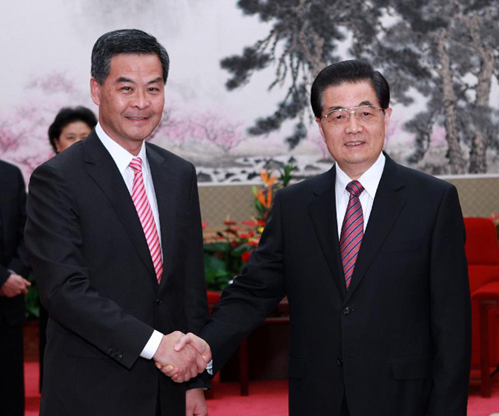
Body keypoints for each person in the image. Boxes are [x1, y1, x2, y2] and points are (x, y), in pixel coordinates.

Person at [175, 60, 471, 415]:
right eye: (337, 115)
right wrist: (204, 348)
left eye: (365, 112)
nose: (353, 127)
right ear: (321, 125)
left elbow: (452, 324)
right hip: (318, 398)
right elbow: (254, 292)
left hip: (403, 399)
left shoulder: (433, 201)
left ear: (386, 116)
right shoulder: (294, 205)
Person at [25, 29, 209, 416]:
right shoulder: (57, 178)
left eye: (154, 89)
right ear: (96, 90)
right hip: (92, 392)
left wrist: (195, 382)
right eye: (126, 88)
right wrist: (153, 344)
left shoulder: (179, 173)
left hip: (169, 391)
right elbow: (64, 290)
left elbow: (188, 283)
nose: (141, 103)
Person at [38, 105, 99, 393]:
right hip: (66, 291)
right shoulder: (48, 180)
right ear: (56, 142)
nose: (77, 143)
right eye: (70, 136)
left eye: (84, 136)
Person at [0, 160, 31, 416]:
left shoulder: (10, 174)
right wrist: (0, 279)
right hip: (5, 284)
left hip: (9, 305)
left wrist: (14, 273)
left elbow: (27, 231)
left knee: (9, 392)